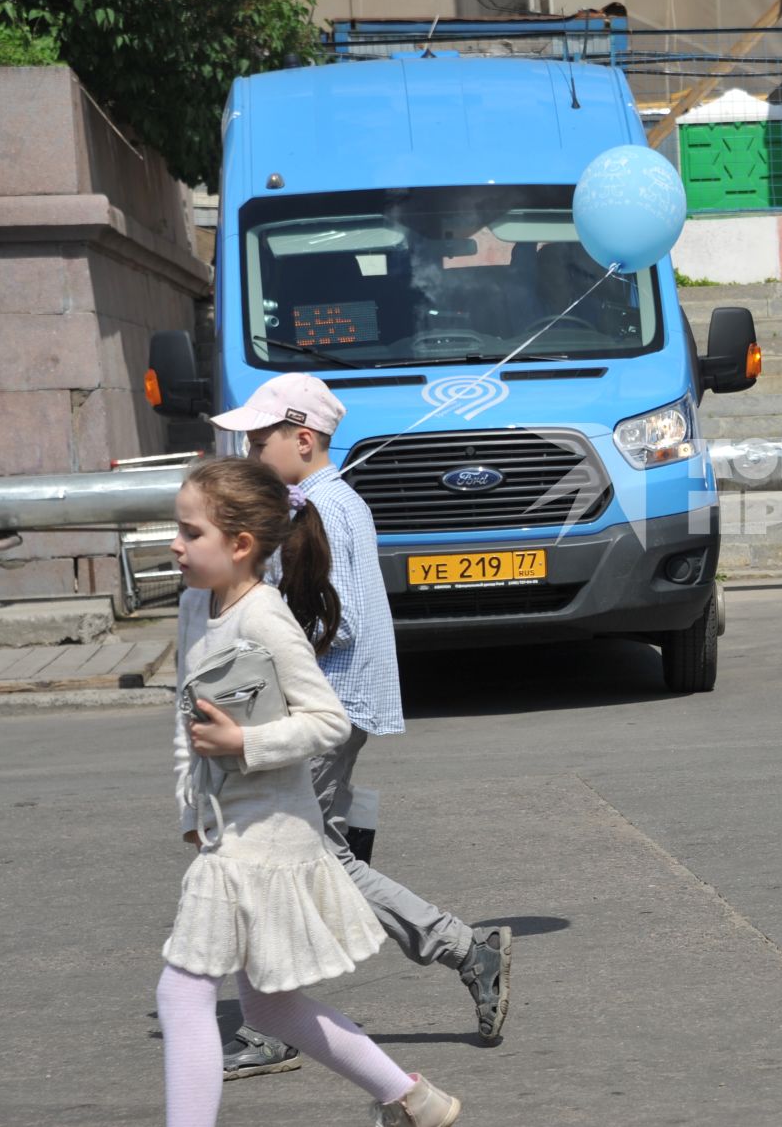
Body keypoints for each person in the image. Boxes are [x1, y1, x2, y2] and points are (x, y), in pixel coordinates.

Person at [208, 375, 513, 1079]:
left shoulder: (317, 511)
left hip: (319, 712)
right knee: (309, 858)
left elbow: (323, 623)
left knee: (285, 858)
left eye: (260, 439)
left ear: (303, 438)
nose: (250, 450)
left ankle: (457, 952)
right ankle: (455, 953)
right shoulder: (331, 501)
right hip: (337, 708)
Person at [161, 457, 461, 1126]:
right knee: (271, 1006)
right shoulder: (192, 605)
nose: (173, 544)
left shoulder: (265, 617)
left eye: (189, 531)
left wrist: (248, 745)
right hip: (226, 830)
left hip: (267, 838)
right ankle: (412, 1099)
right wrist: (189, 807)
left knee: (181, 991)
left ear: (240, 545)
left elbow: (326, 718)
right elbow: (186, 713)